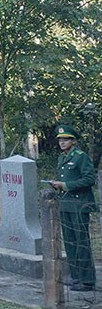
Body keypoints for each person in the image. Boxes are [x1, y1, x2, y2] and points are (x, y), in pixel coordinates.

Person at [49, 124, 98, 292]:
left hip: (79, 204)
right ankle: (76, 277)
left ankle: (87, 280)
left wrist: (65, 184)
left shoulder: (80, 157)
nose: (62, 143)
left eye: (66, 139)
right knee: (70, 243)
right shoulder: (62, 158)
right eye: (60, 140)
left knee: (81, 242)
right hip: (66, 205)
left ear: (74, 141)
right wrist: (57, 185)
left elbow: (89, 179)